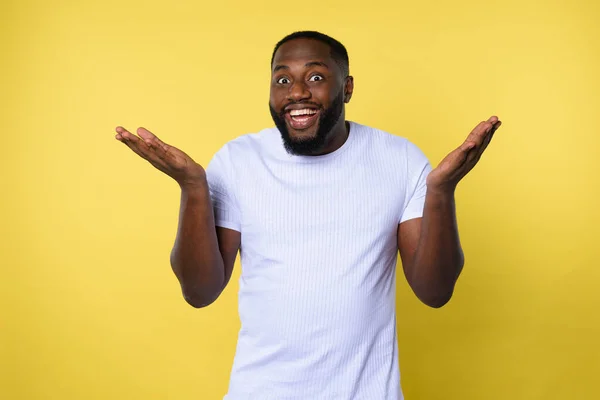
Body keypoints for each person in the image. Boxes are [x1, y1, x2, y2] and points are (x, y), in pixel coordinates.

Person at [115, 31, 501, 400]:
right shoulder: (238, 161)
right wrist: (193, 188)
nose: (297, 92)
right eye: (281, 80)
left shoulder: (399, 159)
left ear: (347, 88)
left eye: (315, 77)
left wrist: (441, 192)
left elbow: (435, 292)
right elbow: (199, 292)